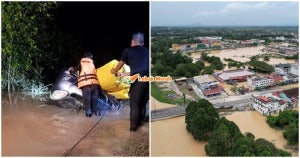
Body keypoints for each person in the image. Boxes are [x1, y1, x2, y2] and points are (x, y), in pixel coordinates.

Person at [111, 32, 149, 132]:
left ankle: (133, 130)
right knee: (143, 103)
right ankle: (140, 124)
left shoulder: (128, 51)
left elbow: (120, 64)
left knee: (134, 104)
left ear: (133, 41)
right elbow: (138, 70)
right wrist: (122, 75)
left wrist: (114, 70)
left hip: (138, 79)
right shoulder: (147, 51)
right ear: (142, 43)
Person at [77, 52, 101, 117]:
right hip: (95, 84)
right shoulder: (92, 63)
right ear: (90, 57)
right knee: (95, 98)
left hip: (86, 85)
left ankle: (88, 113)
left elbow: (76, 70)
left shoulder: (81, 62)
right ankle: (97, 112)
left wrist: (71, 70)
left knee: (87, 99)